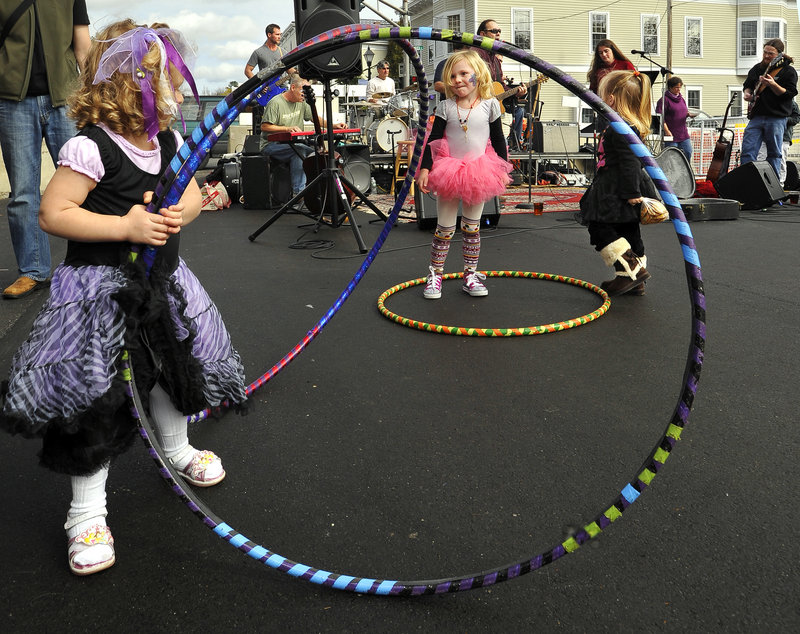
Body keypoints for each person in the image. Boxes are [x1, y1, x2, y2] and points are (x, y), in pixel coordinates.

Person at [0, 20, 248, 576]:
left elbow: (188, 201)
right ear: (124, 85)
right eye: (167, 82)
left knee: (171, 372)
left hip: (163, 286)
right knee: (100, 399)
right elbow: (53, 212)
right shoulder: (90, 147)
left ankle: (177, 447)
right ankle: (86, 511)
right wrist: (127, 227)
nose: (179, 93)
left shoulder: (170, 142)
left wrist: (183, 210)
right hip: (99, 297)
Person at [0, 1, 91, 299]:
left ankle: (95, 262)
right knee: (24, 192)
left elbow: (82, 44)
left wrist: (93, 93)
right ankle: (33, 271)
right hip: (12, 100)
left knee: (88, 183)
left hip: (66, 99)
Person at [416, 49, 512, 300]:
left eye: (463, 74)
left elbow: (498, 139)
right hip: (450, 170)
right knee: (445, 228)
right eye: (453, 75)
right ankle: (435, 274)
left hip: (479, 171)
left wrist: (503, 167)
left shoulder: (491, 105)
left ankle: (470, 273)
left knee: (471, 227)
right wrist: (425, 168)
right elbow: (434, 139)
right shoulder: (445, 107)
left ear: (478, 76)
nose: (457, 80)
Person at [578, 70, 655, 297]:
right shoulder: (627, 126)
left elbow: (631, 162)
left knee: (599, 227)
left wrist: (632, 193)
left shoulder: (621, 129)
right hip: (621, 187)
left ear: (610, 99)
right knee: (628, 230)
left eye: (601, 95)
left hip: (616, 189)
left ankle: (632, 269)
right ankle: (630, 278)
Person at [260, 74, 345, 199]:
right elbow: (265, 127)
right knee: (299, 150)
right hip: (271, 146)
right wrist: (287, 129)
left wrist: (333, 125)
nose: (304, 94)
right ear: (293, 87)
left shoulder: (302, 102)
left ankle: (320, 193)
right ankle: (299, 194)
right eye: (302, 91)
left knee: (318, 154)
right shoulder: (276, 103)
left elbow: (315, 119)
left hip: (294, 145)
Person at [742, 39, 799, 179]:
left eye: (771, 54)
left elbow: (789, 94)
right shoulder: (757, 68)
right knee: (748, 150)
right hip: (757, 116)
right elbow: (748, 85)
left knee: (774, 153)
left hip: (776, 117)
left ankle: (772, 185)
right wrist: (747, 94)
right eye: (765, 52)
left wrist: (773, 84)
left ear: (779, 54)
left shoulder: (788, 71)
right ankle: (747, 181)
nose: (766, 56)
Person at [475, 20, 526, 149]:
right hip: (477, 108)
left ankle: (516, 142)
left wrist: (517, 92)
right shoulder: (475, 54)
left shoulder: (495, 60)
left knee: (519, 111)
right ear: (482, 34)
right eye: (494, 31)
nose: (498, 34)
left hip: (491, 108)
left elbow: (501, 86)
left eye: (499, 31)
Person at [757, 98, 800, 186]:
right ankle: (761, 184)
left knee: (781, 161)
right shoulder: (767, 101)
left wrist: (782, 120)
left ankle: (780, 185)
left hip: (783, 138)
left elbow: (796, 119)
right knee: (761, 160)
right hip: (765, 137)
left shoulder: (792, 103)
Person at [655, 76, 696, 161]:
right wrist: (667, 131)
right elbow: (660, 117)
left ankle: (685, 171)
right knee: (672, 157)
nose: (679, 89)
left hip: (683, 133)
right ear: (670, 87)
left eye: (680, 87)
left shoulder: (681, 99)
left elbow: (681, 111)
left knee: (688, 151)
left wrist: (688, 114)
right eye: (676, 87)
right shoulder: (664, 101)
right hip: (671, 134)